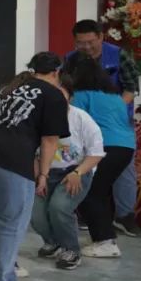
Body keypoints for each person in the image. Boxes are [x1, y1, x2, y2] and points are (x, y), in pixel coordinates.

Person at [0, 52, 70, 281]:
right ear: (56, 72)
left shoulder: (8, 88)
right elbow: (50, 140)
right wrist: (43, 175)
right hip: (13, 159)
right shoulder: (53, 94)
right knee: (13, 220)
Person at [69, 19, 141, 237]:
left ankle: (124, 216)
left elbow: (131, 88)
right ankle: (85, 214)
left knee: (123, 172)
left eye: (91, 42)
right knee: (85, 167)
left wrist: (112, 108)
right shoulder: (71, 60)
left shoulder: (119, 56)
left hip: (115, 122)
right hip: (88, 125)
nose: (86, 47)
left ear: (101, 37)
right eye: (81, 43)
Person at [64, 52, 136, 260]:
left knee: (88, 192)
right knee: (99, 191)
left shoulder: (80, 96)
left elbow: (74, 126)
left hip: (106, 147)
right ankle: (105, 238)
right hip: (126, 147)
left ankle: (105, 242)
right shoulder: (114, 97)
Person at [31, 72, 104, 270]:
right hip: (46, 173)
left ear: (70, 97)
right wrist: (39, 176)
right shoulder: (37, 118)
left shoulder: (81, 118)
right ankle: (54, 242)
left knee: (59, 207)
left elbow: (96, 153)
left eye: (60, 94)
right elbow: (33, 153)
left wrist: (77, 173)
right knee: (35, 212)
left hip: (76, 171)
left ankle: (72, 250)